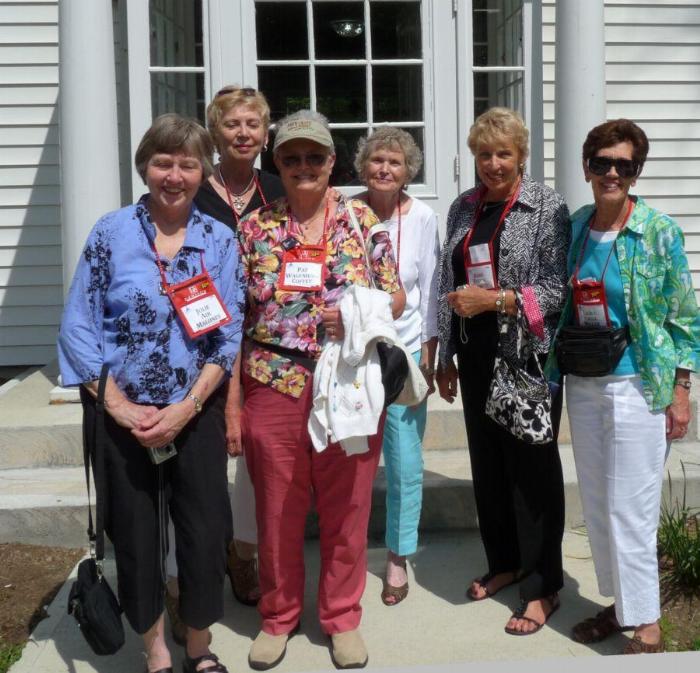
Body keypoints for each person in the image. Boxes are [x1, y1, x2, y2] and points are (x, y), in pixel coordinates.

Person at [57, 113, 244, 673]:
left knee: (206, 530)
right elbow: (78, 326)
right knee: (137, 538)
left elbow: (227, 333)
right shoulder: (110, 233)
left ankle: (199, 645)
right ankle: (156, 652)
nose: (175, 174)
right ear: (144, 167)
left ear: (203, 173)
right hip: (121, 415)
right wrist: (116, 404)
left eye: (189, 163)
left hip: (196, 411)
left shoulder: (220, 240)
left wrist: (187, 408)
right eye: (163, 161)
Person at [235, 110, 405, 670]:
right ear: (276, 163)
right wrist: (233, 403)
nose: (303, 166)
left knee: (348, 505)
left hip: (349, 380)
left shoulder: (361, 222)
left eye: (315, 156)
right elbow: (236, 318)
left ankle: (341, 617)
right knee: (278, 508)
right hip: (273, 381)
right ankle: (278, 616)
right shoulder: (256, 228)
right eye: (291, 157)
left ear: (332, 161)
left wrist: (355, 313)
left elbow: (396, 297)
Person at [554, 119, 700, 654]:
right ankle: (619, 606)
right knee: (595, 504)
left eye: (624, 165)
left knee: (631, 507)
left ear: (636, 172)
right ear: (587, 166)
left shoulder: (659, 230)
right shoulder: (573, 227)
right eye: (602, 162)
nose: (612, 173)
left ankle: (648, 624)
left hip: (641, 382)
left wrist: (681, 393)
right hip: (586, 379)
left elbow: (686, 320)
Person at [435, 107, 570, 635]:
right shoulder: (463, 207)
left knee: (532, 473)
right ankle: (505, 563)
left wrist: (495, 300)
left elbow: (556, 289)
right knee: (488, 466)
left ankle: (543, 588)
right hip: (472, 353)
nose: (492, 164)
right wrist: (444, 354)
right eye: (484, 154)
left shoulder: (545, 207)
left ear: (522, 155)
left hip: (525, 357)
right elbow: (446, 287)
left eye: (503, 154)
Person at [165, 86, 284, 632]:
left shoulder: (280, 189)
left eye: (252, 124)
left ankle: (242, 552)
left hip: (268, 340)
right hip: (199, 341)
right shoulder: (191, 191)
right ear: (216, 131)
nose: (243, 134)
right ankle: (186, 568)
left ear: (265, 132)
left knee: (253, 461)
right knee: (204, 457)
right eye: (232, 124)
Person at [353, 127, 439, 606]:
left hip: (403, 357)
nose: (385, 169)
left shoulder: (423, 216)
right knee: (353, 460)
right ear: (363, 166)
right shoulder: (348, 211)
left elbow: (429, 284)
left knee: (405, 460)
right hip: (356, 356)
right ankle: (347, 551)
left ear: (409, 170)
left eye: (396, 162)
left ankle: (398, 556)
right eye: (377, 160)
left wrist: (430, 351)